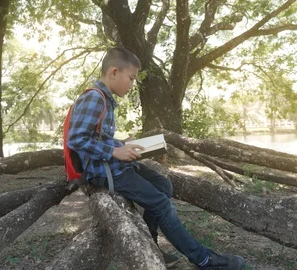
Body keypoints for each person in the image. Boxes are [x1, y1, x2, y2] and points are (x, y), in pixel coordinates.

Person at [67, 47, 245, 270]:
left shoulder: (104, 98)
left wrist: (122, 144)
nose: (132, 85)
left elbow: (97, 137)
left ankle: (150, 243)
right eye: (131, 78)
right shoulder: (95, 97)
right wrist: (114, 151)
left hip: (115, 165)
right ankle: (204, 260)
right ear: (114, 72)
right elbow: (76, 139)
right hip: (107, 172)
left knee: (164, 185)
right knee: (162, 204)